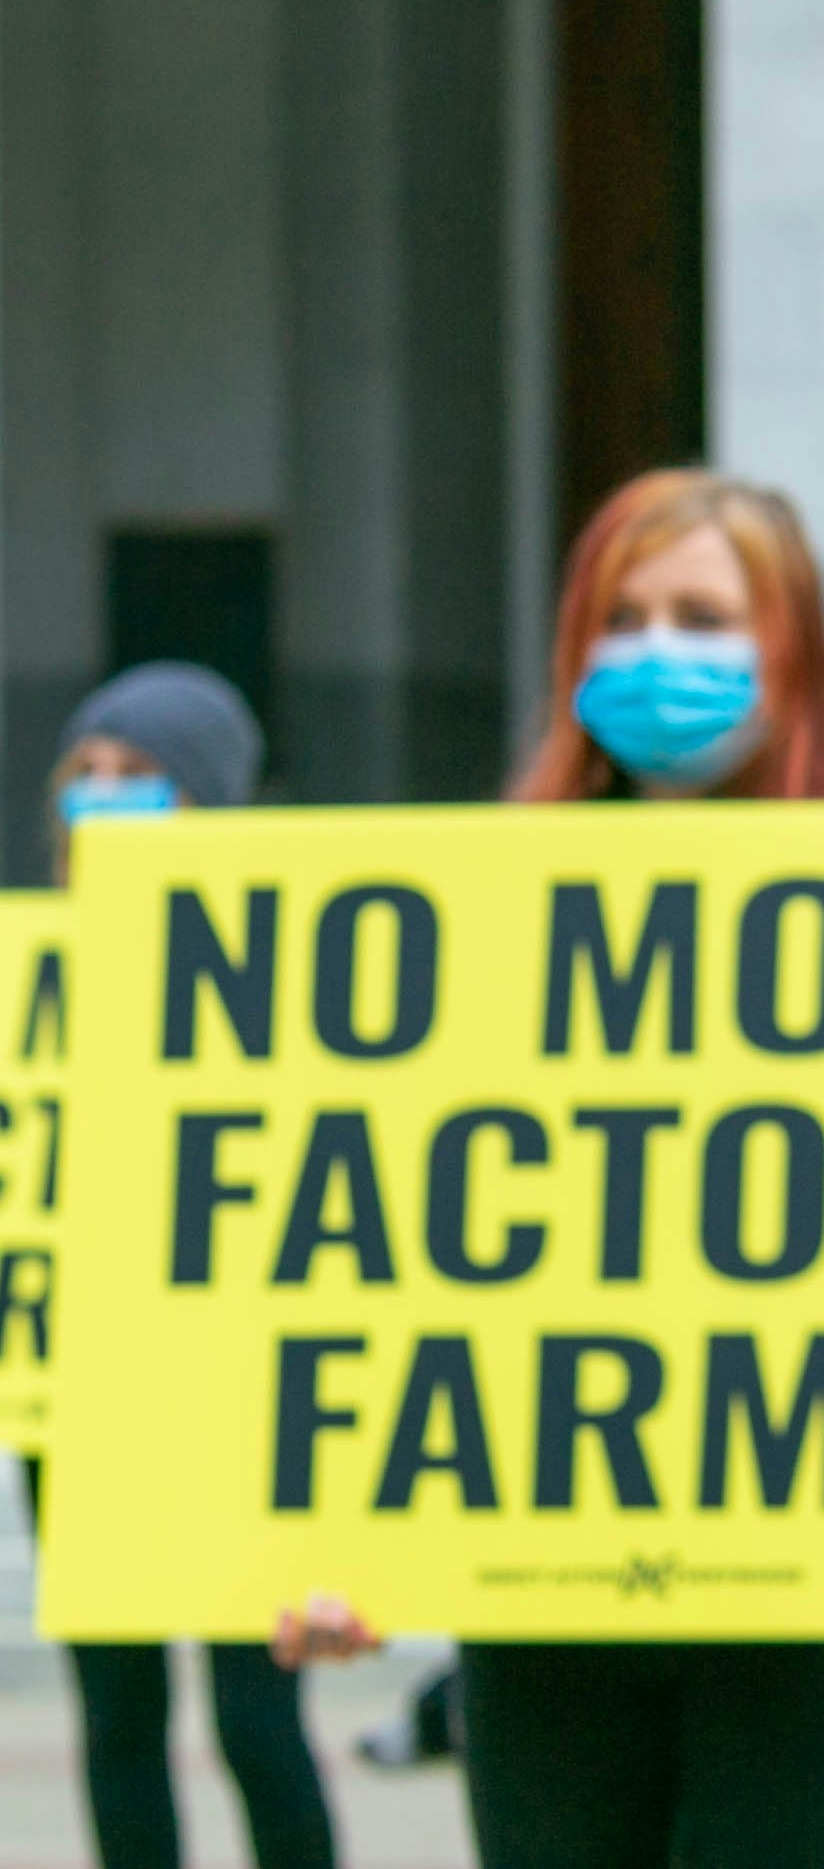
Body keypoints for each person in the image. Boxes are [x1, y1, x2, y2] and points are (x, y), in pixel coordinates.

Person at [278, 469, 824, 1869]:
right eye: (625, 618)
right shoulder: (468, 924)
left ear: (793, 653)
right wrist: (323, 1539)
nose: (660, 655)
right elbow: (391, 1243)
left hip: (820, 1594)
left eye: (705, 618)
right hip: (544, 1596)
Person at [30, 663, 339, 1869]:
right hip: (76, 1405)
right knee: (117, 1717)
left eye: (138, 779)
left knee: (259, 1718)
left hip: (231, 1400)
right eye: (86, 778)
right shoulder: (35, 984)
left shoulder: (281, 984)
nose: (103, 801)